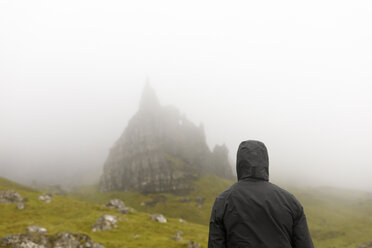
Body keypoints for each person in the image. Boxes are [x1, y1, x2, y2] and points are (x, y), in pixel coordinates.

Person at [208, 140, 314, 248]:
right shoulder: (291, 202)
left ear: (239, 163)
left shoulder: (223, 201)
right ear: (265, 162)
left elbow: (215, 244)